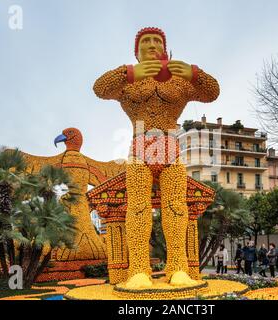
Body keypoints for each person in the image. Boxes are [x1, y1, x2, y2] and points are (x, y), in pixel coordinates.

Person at [93, 27, 219, 288]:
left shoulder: (178, 82)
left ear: (164, 48)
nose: (152, 45)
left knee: (176, 207)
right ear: (136, 51)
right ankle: (139, 269)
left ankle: (178, 267)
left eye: (157, 41)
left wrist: (194, 73)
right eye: (146, 41)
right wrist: (128, 72)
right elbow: (100, 88)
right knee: (137, 207)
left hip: (170, 148)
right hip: (139, 149)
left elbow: (212, 92)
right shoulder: (129, 81)